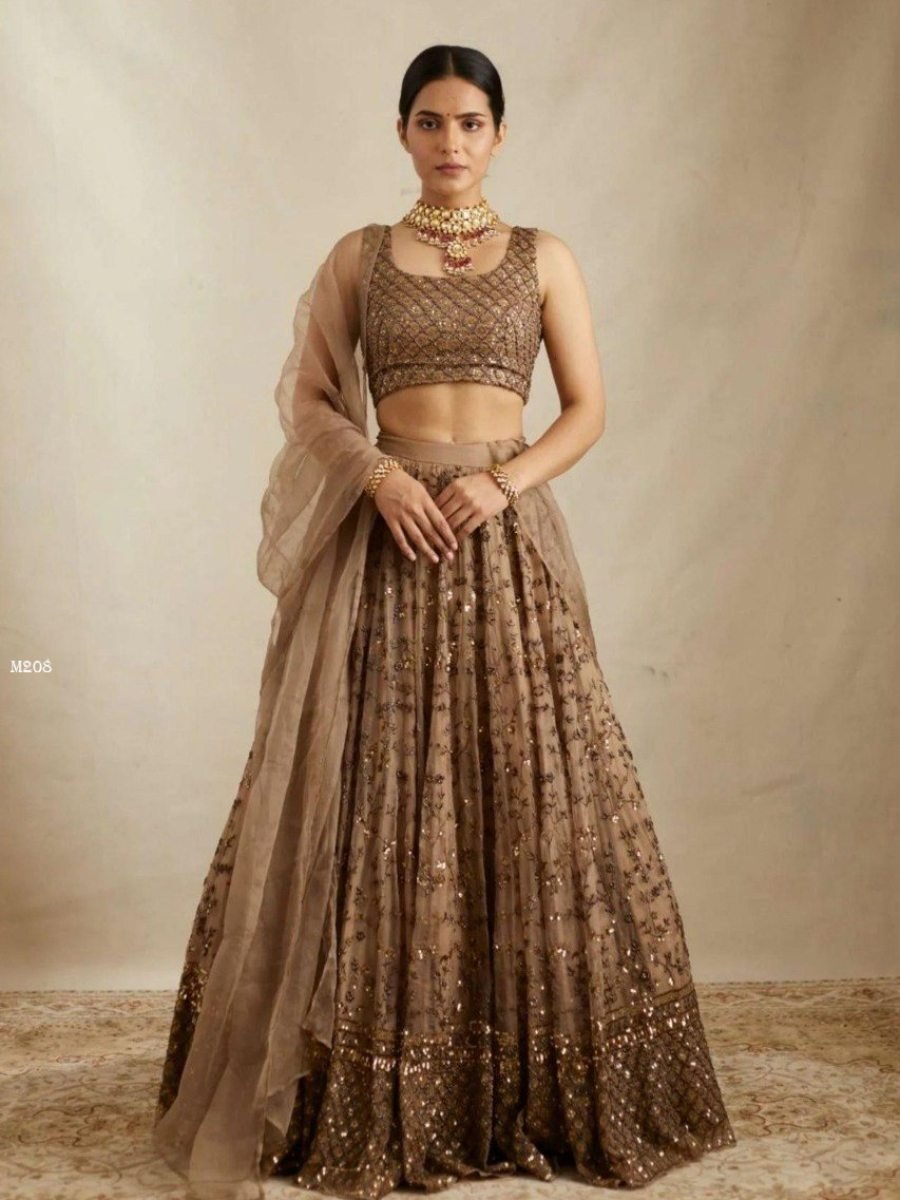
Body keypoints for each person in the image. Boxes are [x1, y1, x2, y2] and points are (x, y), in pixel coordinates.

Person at [151, 43, 737, 1200]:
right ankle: (363, 1085)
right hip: (388, 544)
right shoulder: (359, 256)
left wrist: (502, 483)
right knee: (370, 796)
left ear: (500, 135)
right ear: (403, 132)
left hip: (504, 547)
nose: (451, 142)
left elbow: (588, 409)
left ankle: (519, 1084)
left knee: (530, 793)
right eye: (430, 121)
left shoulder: (543, 257)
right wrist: (379, 477)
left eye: (471, 123)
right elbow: (309, 398)